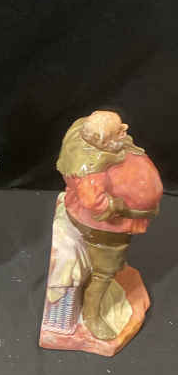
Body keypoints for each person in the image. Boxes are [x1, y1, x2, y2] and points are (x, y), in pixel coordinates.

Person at [46, 110, 162, 340]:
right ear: (102, 141)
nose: (125, 128)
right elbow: (93, 202)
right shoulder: (92, 169)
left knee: (111, 265)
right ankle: (92, 314)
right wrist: (119, 205)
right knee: (105, 271)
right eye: (119, 130)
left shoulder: (85, 131)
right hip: (102, 228)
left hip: (107, 220)